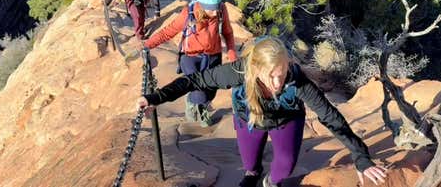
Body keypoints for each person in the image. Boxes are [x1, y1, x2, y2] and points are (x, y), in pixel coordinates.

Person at [137, 36, 389, 187]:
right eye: (272, 77)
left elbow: (330, 116)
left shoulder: (295, 79)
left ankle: (269, 183)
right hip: (249, 119)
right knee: (249, 164)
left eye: (282, 74)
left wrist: (361, 156)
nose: (279, 83)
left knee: (285, 166)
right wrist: (156, 98)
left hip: (286, 120)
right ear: (255, 69)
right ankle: (253, 174)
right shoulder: (238, 71)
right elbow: (196, 80)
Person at [142, 0, 237, 126]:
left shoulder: (221, 10)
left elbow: (228, 33)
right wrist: (148, 45)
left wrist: (232, 56)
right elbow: (169, 31)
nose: (216, 12)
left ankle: (202, 106)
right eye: (212, 9)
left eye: (217, 8)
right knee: (199, 90)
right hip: (190, 57)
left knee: (211, 91)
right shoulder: (189, 12)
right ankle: (194, 102)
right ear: (203, 7)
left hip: (213, 55)